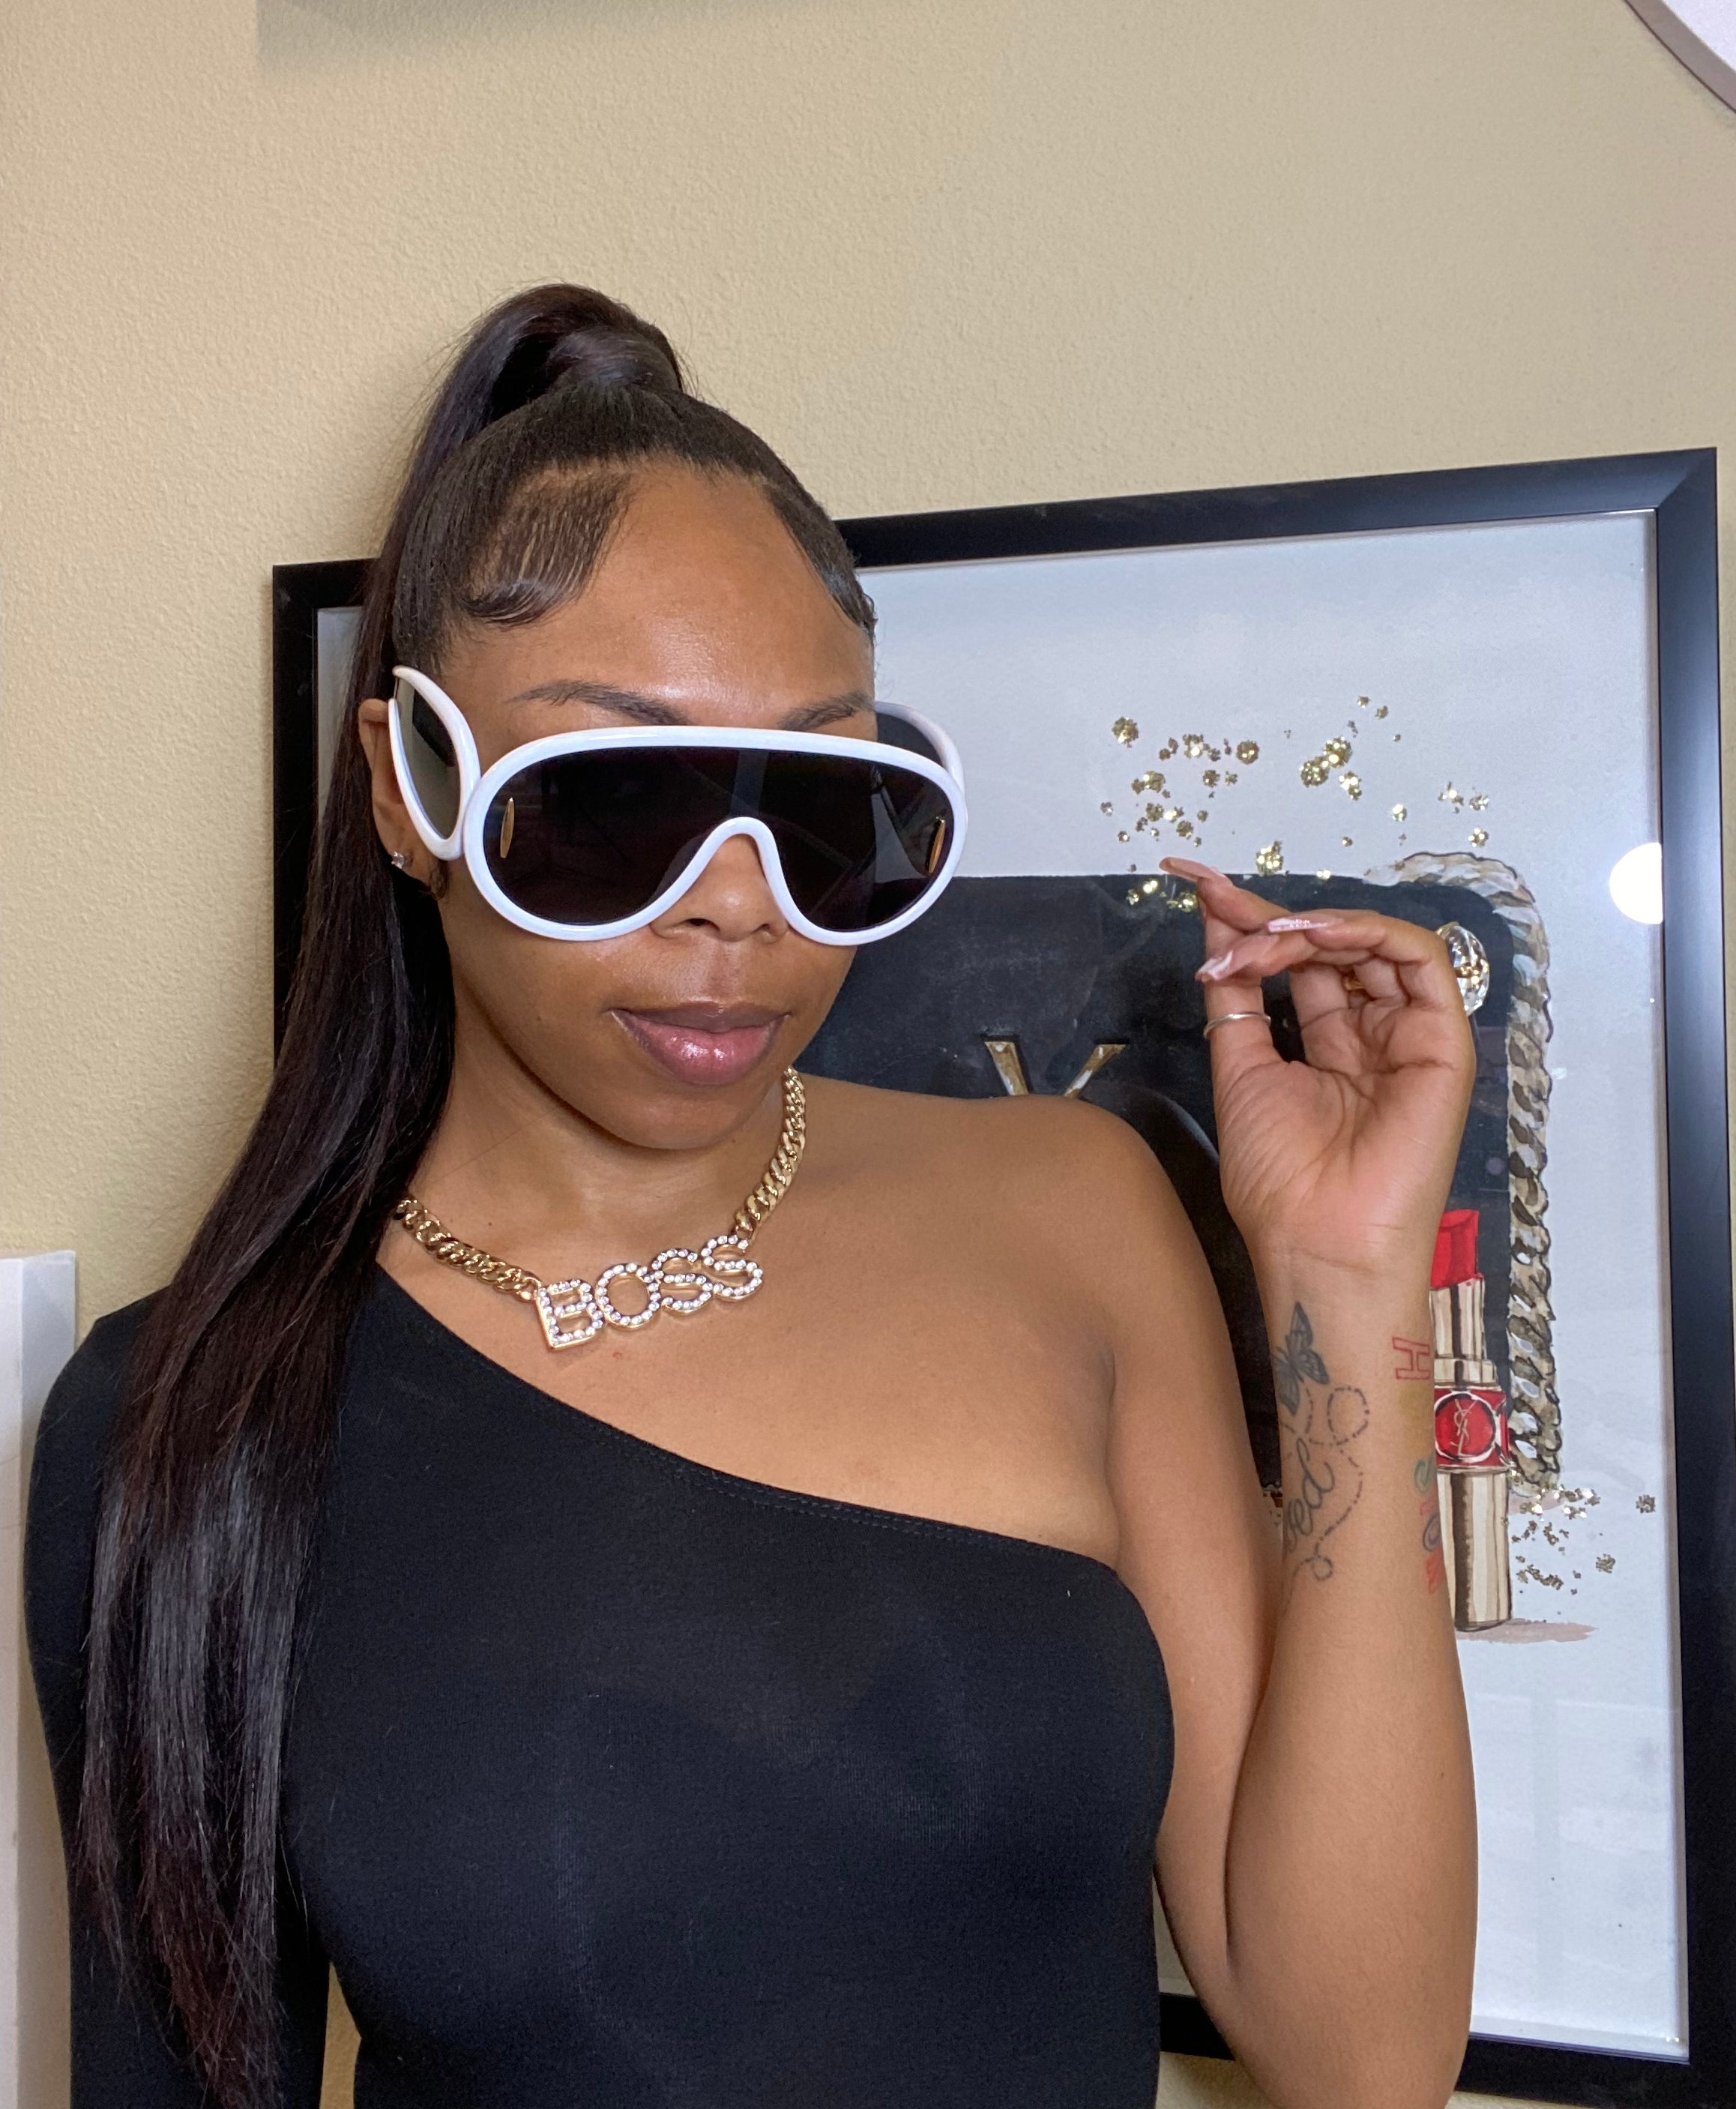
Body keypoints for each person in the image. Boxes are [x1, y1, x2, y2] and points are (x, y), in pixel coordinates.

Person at [26, 285, 1478, 2109]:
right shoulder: (188, 1417)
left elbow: (1363, 2049)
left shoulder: (1073, 1211)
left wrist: (1346, 1275)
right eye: (612, 805)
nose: (738, 905)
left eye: (820, 805)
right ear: (409, 786)